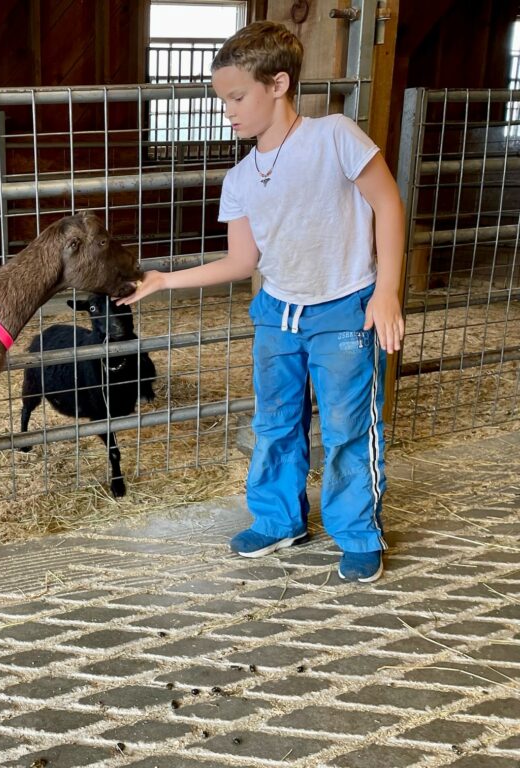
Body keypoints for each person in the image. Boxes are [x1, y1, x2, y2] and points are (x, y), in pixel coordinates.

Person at [118, 20, 405, 582]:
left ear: (278, 84)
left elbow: (388, 206)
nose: (228, 110)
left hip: (345, 306)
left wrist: (388, 291)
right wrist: (164, 280)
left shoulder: (335, 137)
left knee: (349, 425)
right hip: (278, 313)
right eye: (223, 99)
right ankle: (279, 520)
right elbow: (241, 262)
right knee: (275, 420)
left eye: (236, 96)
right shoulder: (241, 177)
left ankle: (357, 531)